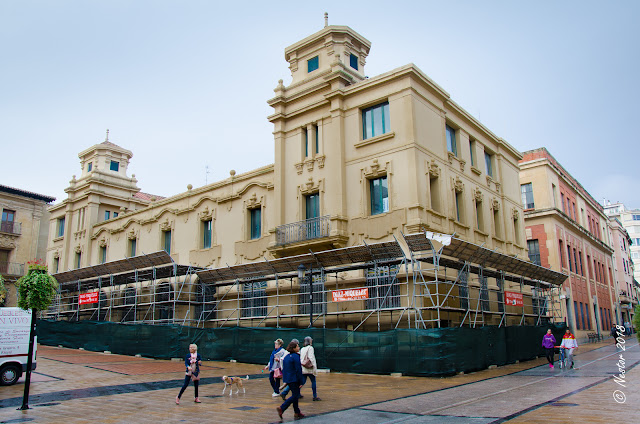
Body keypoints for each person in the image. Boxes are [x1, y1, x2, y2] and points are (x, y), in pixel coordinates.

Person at [281, 336, 320, 401]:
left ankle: (285, 392)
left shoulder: (302, 349)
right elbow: (311, 357)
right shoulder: (310, 348)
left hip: (303, 367)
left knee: (300, 382)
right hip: (309, 368)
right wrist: (314, 366)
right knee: (313, 381)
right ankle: (314, 396)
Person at [276, 339, 305, 421]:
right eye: (297, 346)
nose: (299, 347)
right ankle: (282, 408)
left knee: (295, 394)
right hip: (295, 379)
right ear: (294, 348)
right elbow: (298, 369)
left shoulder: (286, 357)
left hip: (288, 378)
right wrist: (301, 381)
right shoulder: (296, 356)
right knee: (295, 395)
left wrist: (285, 379)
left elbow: (284, 368)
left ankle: (297, 412)